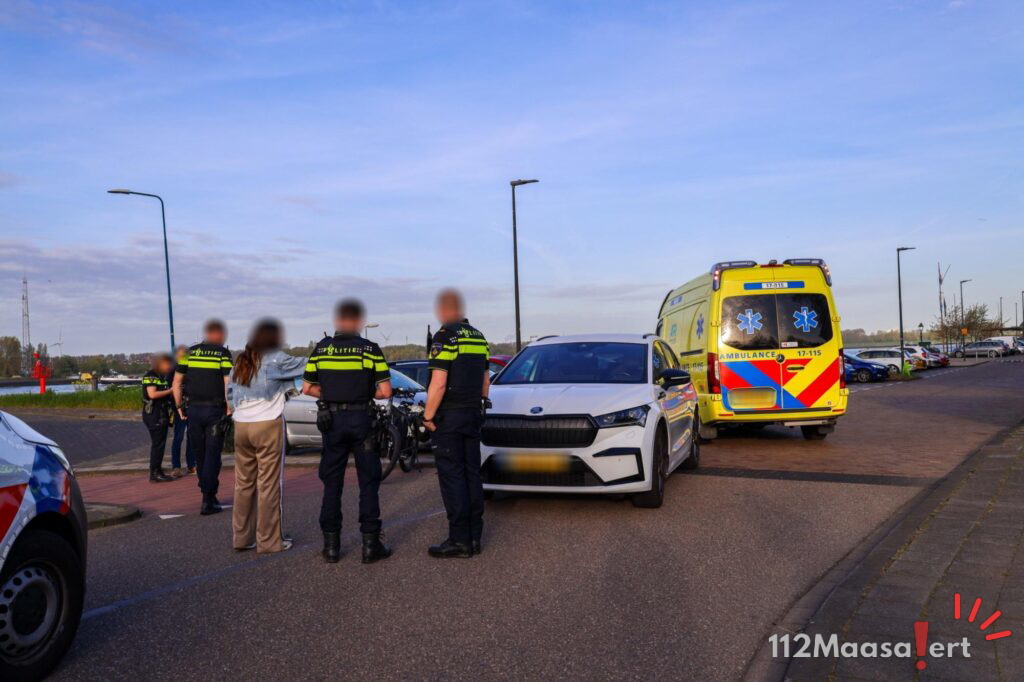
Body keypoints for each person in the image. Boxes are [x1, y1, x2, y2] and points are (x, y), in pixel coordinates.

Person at [302, 299, 393, 564]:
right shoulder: (370, 349)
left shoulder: (321, 349)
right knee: (368, 482)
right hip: (362, 420)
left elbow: (307, 388)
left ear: (337, 321)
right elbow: (385, 391)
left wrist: (331, 394)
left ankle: (331, 547)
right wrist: (363, 394)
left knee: (332, 483)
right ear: (358, 322)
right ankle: (370, 545)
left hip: (332, 421)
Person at [422, 289, 490, 558]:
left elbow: (438, 383)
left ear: (445, 311)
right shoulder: (479, 336)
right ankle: (475, 537)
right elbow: (486, 380)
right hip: (473, 413)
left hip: (449, 417)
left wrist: (427, 416)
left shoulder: (445, 336)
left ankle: (459, 540)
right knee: (472, 474)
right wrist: (481, 404)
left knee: (452, 477)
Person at [229, 319, 306, 553]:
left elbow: (230, 391)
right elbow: (309, 365)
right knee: (269, 484)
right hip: (266, 424)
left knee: (243, 484)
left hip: (241, 425)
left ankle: (242, 538)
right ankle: (269, 541)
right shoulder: (276, 359)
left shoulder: (241, 361)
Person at [172, 319, 233, 516]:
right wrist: (229, 407)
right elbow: (227, 382)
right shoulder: (222, 353)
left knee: (200, 454)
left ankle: (207, 495)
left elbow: (177, 382)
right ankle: (208, 498)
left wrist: (179, 406)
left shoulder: (189, 353)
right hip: (215, 410)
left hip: (193, 410)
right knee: (213, 455)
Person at [142, 353, 175, 483]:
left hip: (161, 413)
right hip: (154, 414)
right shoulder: (151, 376)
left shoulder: (162, 376)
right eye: (168, 364)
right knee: (157, 444)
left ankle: (158, 470)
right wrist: (171, 391)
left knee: (160, 444)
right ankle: (154, 473)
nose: (170, 367)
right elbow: (152, 394)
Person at [169, 344, 196, 477]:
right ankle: (176, 466)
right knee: (178, 437)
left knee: (191, 437)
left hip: (192, 407)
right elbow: (171, 389)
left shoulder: (192, 369)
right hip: (179, 408)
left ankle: (191, 465)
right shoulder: (172, 370)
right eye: (181, 354)